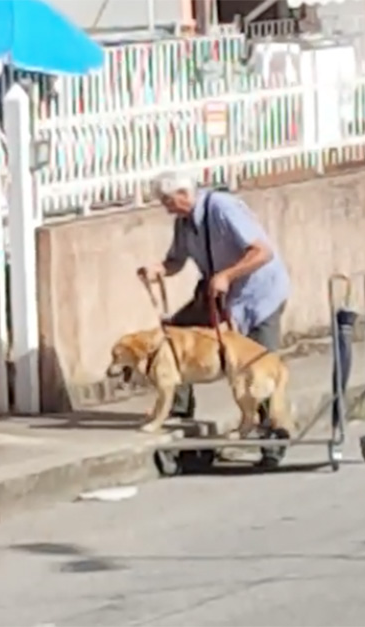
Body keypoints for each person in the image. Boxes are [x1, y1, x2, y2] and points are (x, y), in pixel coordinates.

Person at [138, 171, 291, 464]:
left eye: (168, 201)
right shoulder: (184, 223)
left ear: (183, 194)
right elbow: (176, 260)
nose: (166, 208)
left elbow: (262, 252)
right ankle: (178, 407)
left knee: (258, 365)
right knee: (176, 332)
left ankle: (272, 440)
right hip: (221, 294)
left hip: (259, 294)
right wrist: (157, 269)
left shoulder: (222, 208)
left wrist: (227, 275)